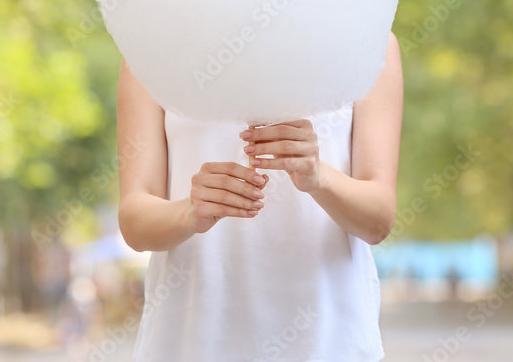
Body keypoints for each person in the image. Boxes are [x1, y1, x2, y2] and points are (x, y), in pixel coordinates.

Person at [117, 32, 403, 361]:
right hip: (191, 342)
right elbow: (134, 219)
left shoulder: (367, 38)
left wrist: (319, 176)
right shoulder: (151, 44)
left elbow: (378, 220)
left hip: (328, 343)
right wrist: (188, 213)